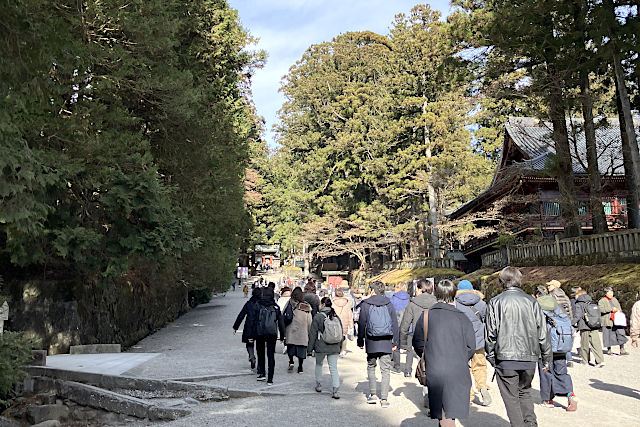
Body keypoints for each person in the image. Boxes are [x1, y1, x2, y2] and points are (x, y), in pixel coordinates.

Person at [485, 266, 552, 427]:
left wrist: (492, 357)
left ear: (502, 281)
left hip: (505, 357)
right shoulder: (532, 302)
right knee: (525, 393)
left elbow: (490, 334)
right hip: (528, 357)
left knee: (511, 399)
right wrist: (546, 358)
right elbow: (542, 333)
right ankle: (531, 424)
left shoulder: (495, 302)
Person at [412, 280, 475, 427]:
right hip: (458, 369)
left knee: (444, 415)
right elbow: (471, 346)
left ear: (436, 293)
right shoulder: (462, 317)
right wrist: (460, 357)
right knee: (449, 413)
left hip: (435, 368)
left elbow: (418, 342)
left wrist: (429, 354)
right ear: (454, 294)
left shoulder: (427, 316)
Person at [534, 286, 577, 412]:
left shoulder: (537, 306)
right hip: (561, 344)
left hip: (546, 346)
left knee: (546, 371)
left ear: (537, 296)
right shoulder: (557, 306)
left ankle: (548, 399)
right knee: (561, 370)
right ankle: (570, 394)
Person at [357, 281, 399, 408]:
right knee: (385, 370)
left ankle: (373, 395)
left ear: (372, 290)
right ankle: (384, 399)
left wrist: (360, 341)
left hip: (371, 341)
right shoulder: (389, 304)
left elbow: (362, 323)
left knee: (371, 366)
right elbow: (394, 323)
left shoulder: (366, 304)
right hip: (386, 341)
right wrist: (395, 342)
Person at [454, 280, 491, 406]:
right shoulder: (481, 303)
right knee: (480, 366)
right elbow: (487, 322)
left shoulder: (455, 304)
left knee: (464, 369)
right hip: (478, 341)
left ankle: (468, 396)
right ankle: (482, 388)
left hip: (461, 342)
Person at [400, 278, 437, 383]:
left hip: (418, 338)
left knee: (421, 361)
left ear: (421, 290)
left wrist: (402, 344)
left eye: (417, 289)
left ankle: (425, 386)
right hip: (434, 338)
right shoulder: (436, 303)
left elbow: (404, 326)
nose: (415, 291)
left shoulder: (412, 304)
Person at [308, 297, 343, 399]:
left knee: (319, 364)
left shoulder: (318, 317)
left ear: (322, 305)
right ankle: (335, 389)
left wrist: (310, 349)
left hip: (321, 345)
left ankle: (319, 385)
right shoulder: (336, 316)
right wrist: (340, 347)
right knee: (333, 367)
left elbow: (312, 334)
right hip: (335, 346)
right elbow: (340, 333)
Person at [255, 287, 286, 385]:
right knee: (271, 355)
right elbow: (281, 322)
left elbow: (253, 320)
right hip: (272, 333)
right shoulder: (276, 307)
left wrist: (251, 334)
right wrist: (282, 336)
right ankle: (270, 378)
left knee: (260, 353)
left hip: (260, 332)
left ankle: (262, 373)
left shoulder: (258, 305)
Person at [572, 289, 604, 367]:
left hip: (584, 327)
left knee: (584, 345)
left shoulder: (579, 304)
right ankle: (600, 361)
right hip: (594, 326)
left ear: (579, 295)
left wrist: (571, 323)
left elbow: (578, 316)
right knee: (596, 344)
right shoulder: (591, 302)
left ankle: (585, 360)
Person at [233, 287, 261, 370]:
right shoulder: (262, 303)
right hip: (259, 327)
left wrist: (235, 327)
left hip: (249, 326)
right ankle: (260, 363)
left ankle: (252, 357)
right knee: (260, 345)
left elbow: (241, 315)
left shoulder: (249, 303)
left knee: (249, 344)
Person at [285, 287, 312, 373]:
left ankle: (291, 361)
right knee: (301, 350)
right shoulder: (306, 306)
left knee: (291, 347)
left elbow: (283, 314)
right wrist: (308, 330)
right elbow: (309, 321)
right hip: (302, 330)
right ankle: (300, 367)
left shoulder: (289, 303)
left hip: (291, 329)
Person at [598, 287, 628, 355]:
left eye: (612, 292)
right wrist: (611, 309)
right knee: (607, 335)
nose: (611, 294)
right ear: (606, 293)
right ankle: (609, 349)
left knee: (620, 333)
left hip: (617, 320)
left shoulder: (614, 299)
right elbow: (601, 310)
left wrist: (619, 311)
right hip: (607, 320)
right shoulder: (601, 301)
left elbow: (619, 308)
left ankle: (622, 349)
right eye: (609, 292)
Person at [390, 283, 411, 373]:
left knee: (396, 346)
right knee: (409, 348)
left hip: (396, 326)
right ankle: (408, 370)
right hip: (408, 326)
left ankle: (397, 366)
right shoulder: (410, 299)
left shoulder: (393, 299)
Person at [332, 288, 354, 356]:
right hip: (344, 323)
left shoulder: (333, 303)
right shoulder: (347, 304)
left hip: (335, 322)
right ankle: (343, 350)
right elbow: (350, 316)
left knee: (334, 336)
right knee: (344, 337)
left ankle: (335, 349)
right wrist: (351, 326)